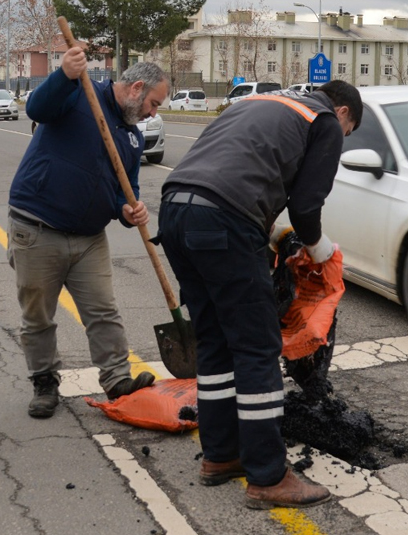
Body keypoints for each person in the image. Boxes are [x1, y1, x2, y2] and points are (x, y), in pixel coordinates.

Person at [157, 80, 362, 509]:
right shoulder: (322, 120)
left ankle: (220, 455)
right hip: (224, 221)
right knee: (256, 347)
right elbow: (307, 205)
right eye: (348, 134)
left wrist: (276, 233)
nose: (339, 142)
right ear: (343, 113)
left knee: (215, 340)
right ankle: (268, 476)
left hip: (176, 210)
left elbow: (228, 174)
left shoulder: (259, 103)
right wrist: (321, 251)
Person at [7, 49, 168, 417]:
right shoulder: (79, 93)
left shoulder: (131, 138)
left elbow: (124, 191)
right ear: (136, 88)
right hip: (36, 228)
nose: (152, 113)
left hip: (89, 239)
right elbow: (38, 110)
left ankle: (117, 380)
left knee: (103, 311)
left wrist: (129, 210)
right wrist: (63, 74)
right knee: (38, 316)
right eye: (154, 104)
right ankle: (44, 381)